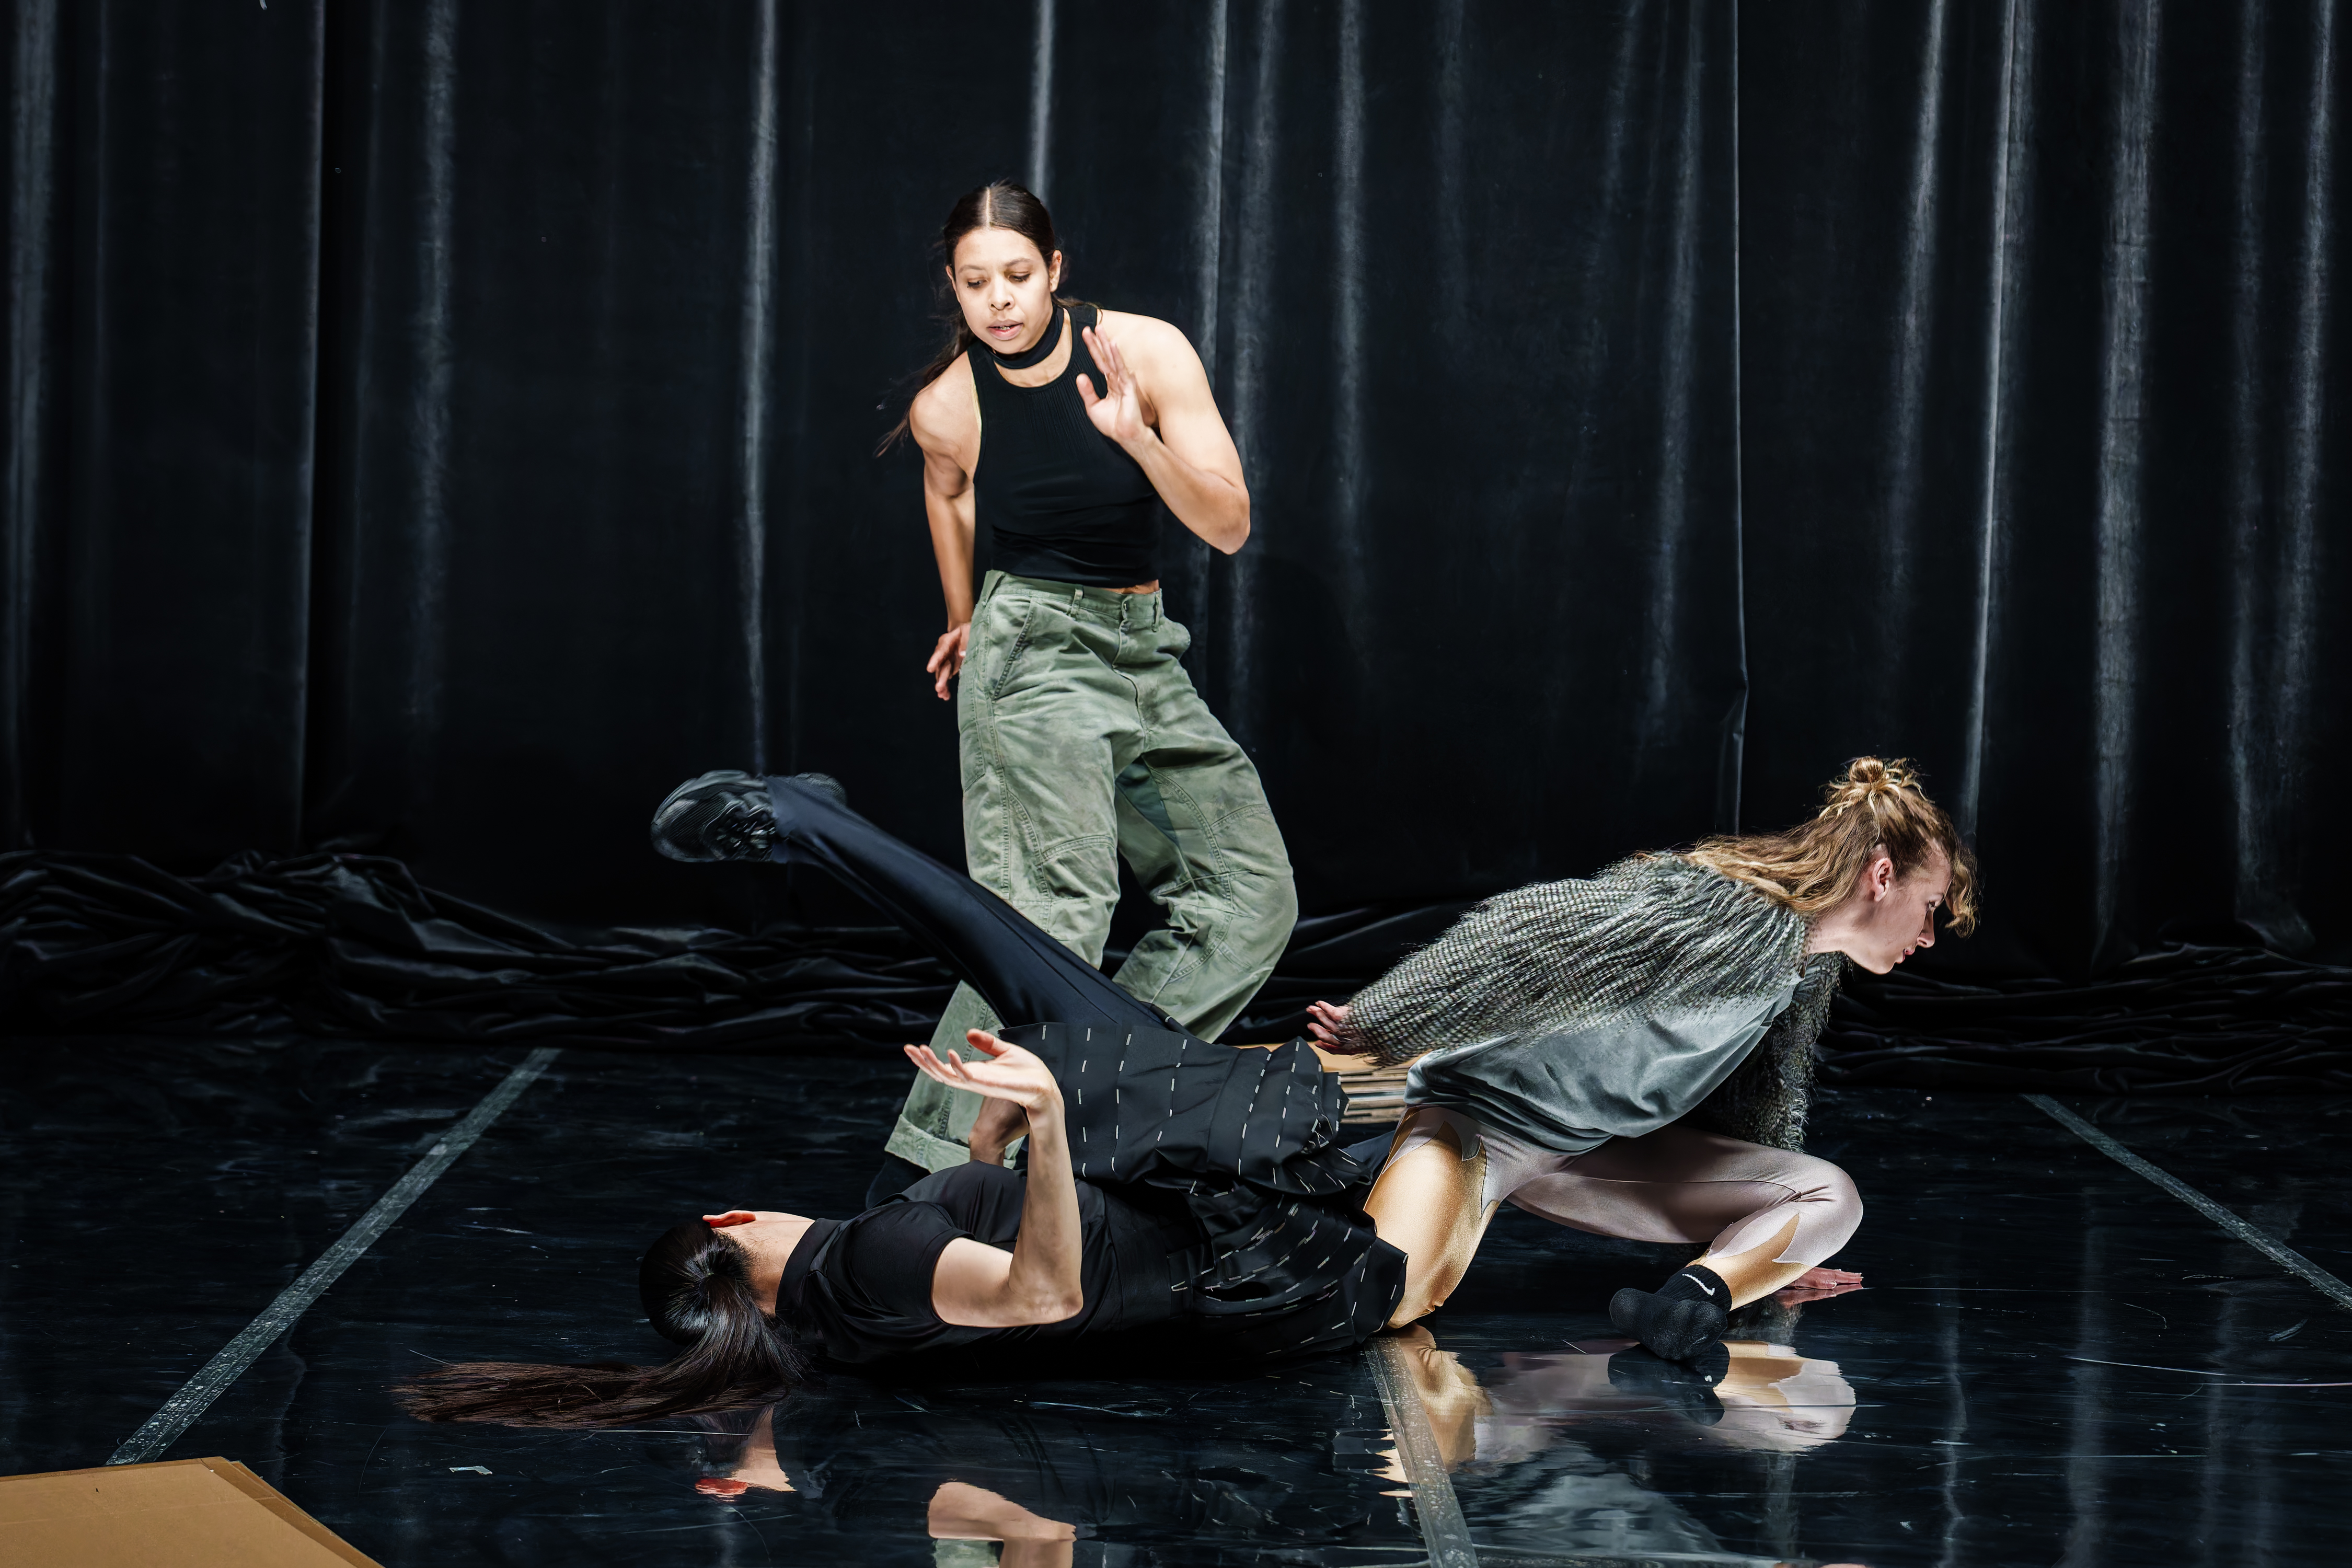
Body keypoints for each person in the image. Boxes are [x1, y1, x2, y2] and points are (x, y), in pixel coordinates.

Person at [396, 775, 1396, 1428]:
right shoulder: (865, 1260)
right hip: (1220, 1217)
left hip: (1223, 1238)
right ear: (730, 1220)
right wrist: (1048, 1121)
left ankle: (820, 821)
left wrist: (992, 1144)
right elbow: (1044, 1296)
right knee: (1036, 986)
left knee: (1052, 1000)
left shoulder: (849, 1320)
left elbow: (1002, 1288)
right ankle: (809, 818)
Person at [872, 180, 1295, 1205]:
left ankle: (1079, 1102)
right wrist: (965, 614)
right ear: (953, 289)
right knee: (1049, 915)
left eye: (1018, 276)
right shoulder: (948, 405)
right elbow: (947, 490)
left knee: (1249, 898)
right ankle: (924, 1184)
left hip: (1143, 649)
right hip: (1034, 648)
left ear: (1055, 272)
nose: (999, 301)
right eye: (976, 283)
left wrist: (1134, 436)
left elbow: (1229, 525)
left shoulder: (1145, 352)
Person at [1317, 757, 1977, 1368]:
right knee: (1386, 1301)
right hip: (1485, 1127)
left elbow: (1760, 1104)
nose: (1927, 936)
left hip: (1591, 1153)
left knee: (1833, 1197)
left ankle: (1688, 1303)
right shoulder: (1728, 907)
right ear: (1881, 876)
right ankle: (1380, 1164)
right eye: (1929, 908)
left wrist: (1759, 1255)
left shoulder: (1807, 964)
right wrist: (1386, 1016)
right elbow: (1527, 928)